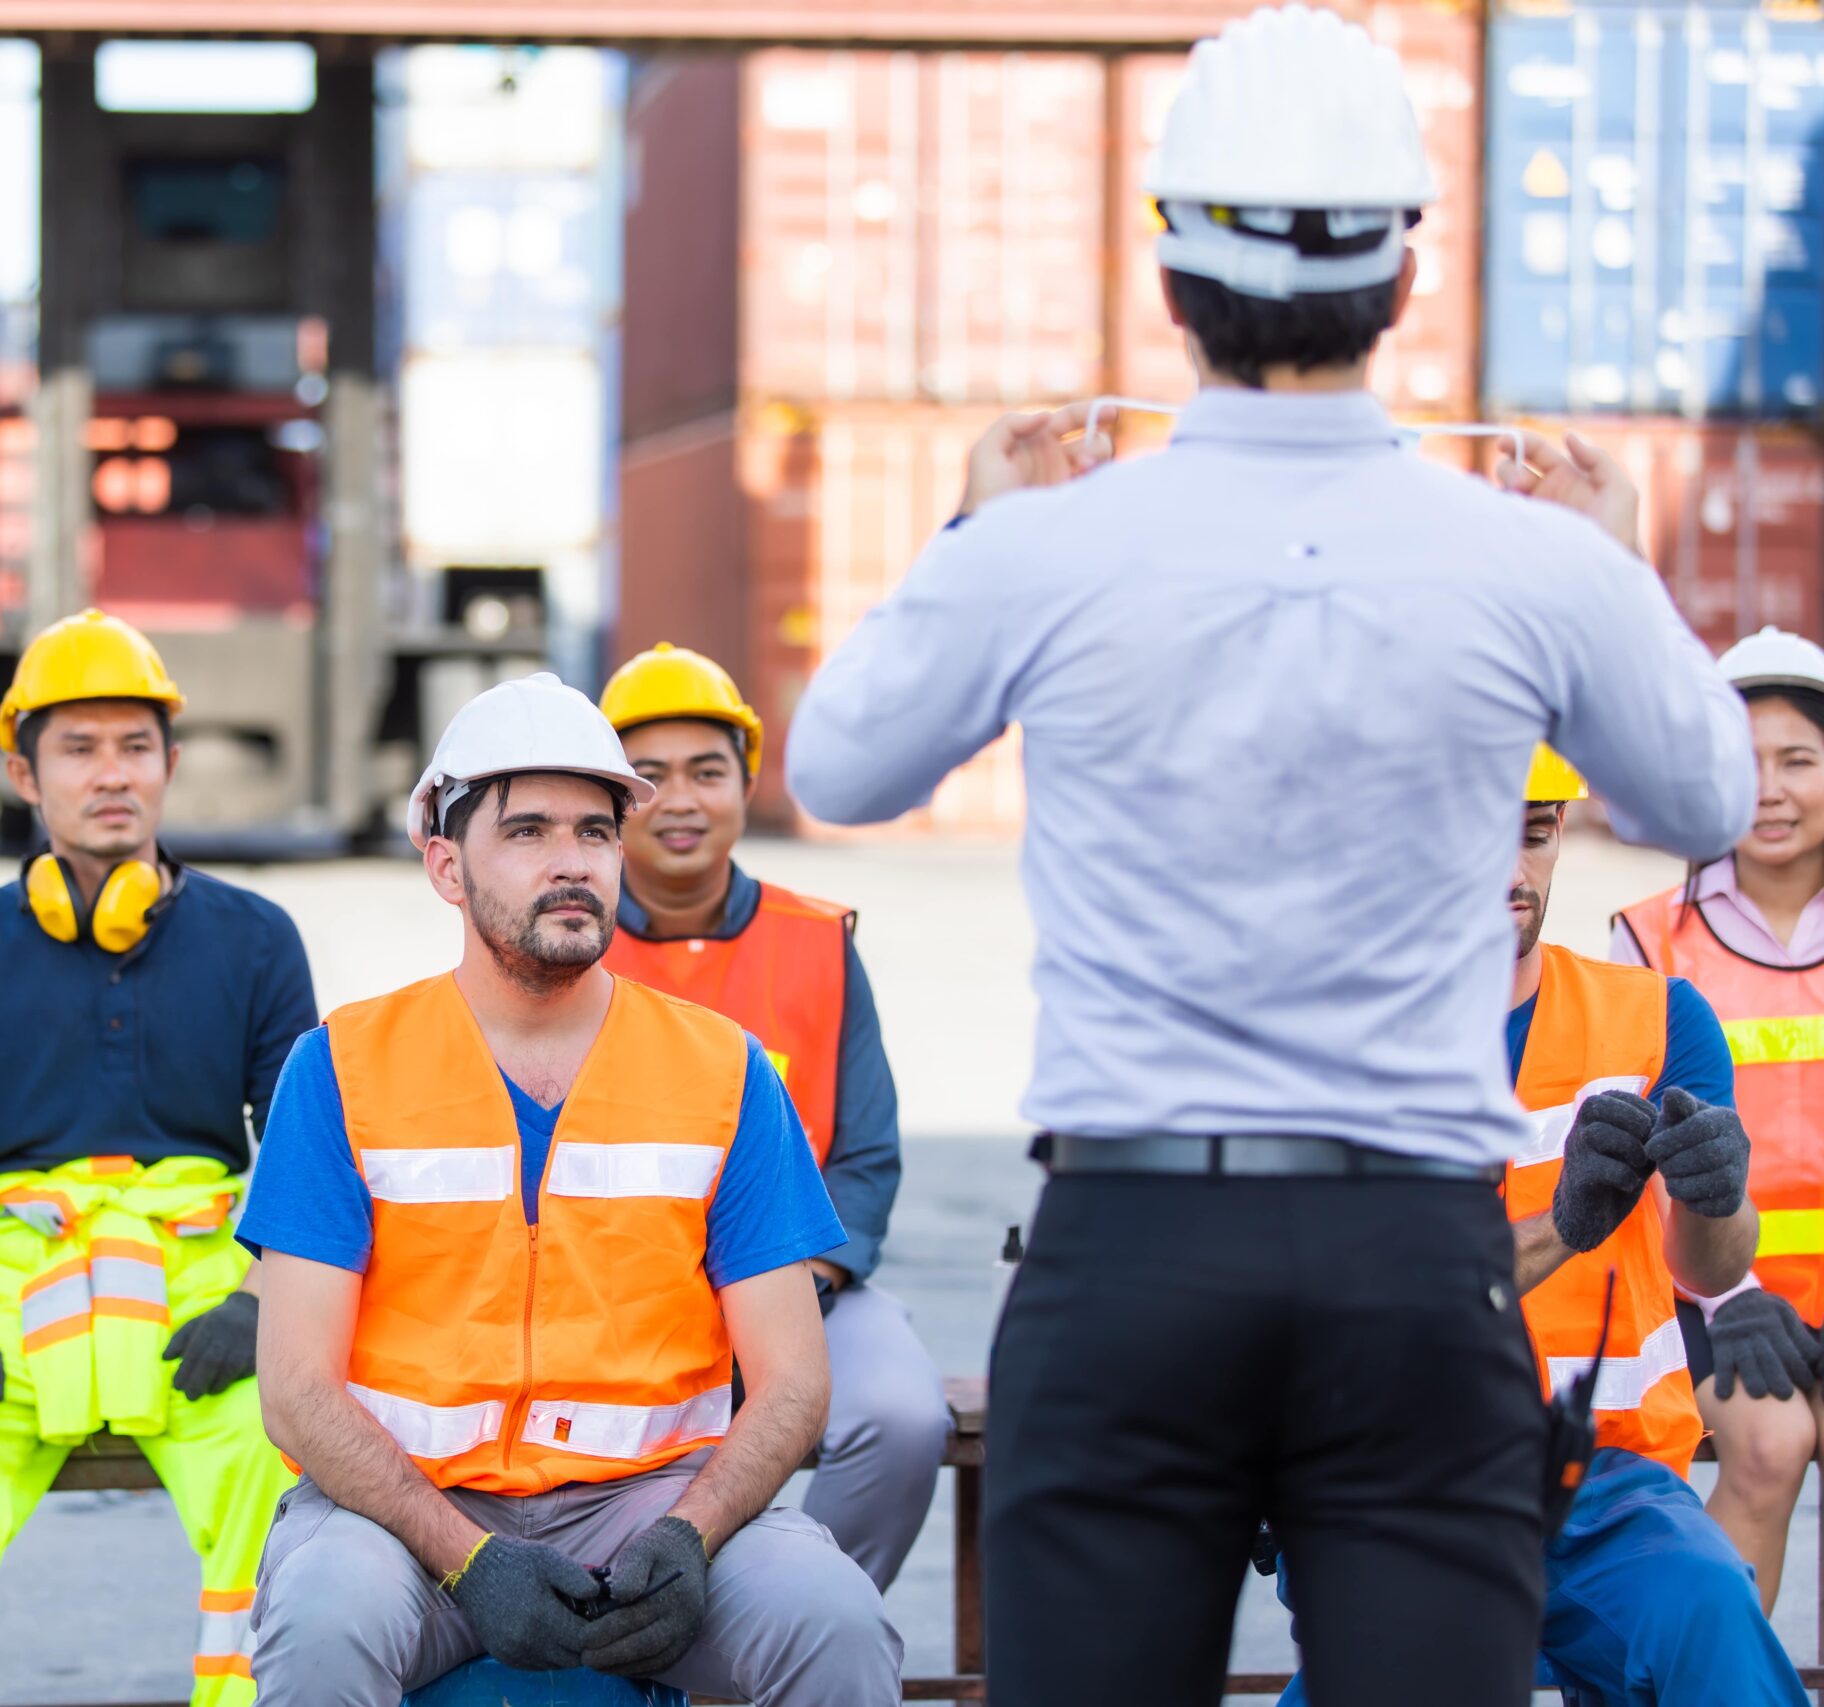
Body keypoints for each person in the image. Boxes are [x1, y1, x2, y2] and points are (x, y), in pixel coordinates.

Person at [781, 7, 1756, 1702]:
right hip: (1416, 1265)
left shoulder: (1054, 549)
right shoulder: (1525, 563)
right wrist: (1611, 565)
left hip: (1130, 1252)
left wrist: (976, 525)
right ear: (1402, 273)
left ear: (1169, 270)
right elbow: (1706, 797)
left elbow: (843, 759)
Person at [236, 673, 902, 1707]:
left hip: (659, 1506)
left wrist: (694, 1532)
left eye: (594, 832)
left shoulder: (724, 1070)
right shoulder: (340, 1070)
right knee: (323, 1628)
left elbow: (791, 1381)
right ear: (446, 867)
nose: (572, 863)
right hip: (402, 1516)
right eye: (530, 832)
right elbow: (297, 1391)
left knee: (835, 1623)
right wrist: (467, 1558)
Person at [0, 610, 317, 1707]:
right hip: (16, 1283)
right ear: (22, 771)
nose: (113, 774)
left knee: (286, 1459)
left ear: (171, 764)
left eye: (135, 747)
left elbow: (311, 1150)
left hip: (206, 1277)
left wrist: (259, 1301)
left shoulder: (255, 941)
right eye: (79, 748)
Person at [1273, 750, 1800, 1706]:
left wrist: (1720, 1199)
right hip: (1395, 1486)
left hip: (1609, 1484)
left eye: (1535, 832)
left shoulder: (1656, 1018)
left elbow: (1706, 1268)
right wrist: (1561, 1227)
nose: (1512, 873)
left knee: (1711, 1614)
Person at [594, 640, 948, 1591]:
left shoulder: (818, 944)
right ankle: (649, 1631)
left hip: (807, 1284)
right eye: (647, 776)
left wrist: (799, 1285)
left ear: (747, 783)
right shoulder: (564, 947)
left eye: (707, 772)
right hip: (617, 1296)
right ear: (608, 800)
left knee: (903, 1418)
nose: (679, 801)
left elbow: (866, 1158)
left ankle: (791, 1623)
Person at [1613, 625, 1824, 1610]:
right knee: (1769, 1444)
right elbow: (1626, 1160)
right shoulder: (1648, 938)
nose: (1771, 790)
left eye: (1799, 760)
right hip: (1710, 1304)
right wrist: (1724, 1296)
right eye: (1743, 763)